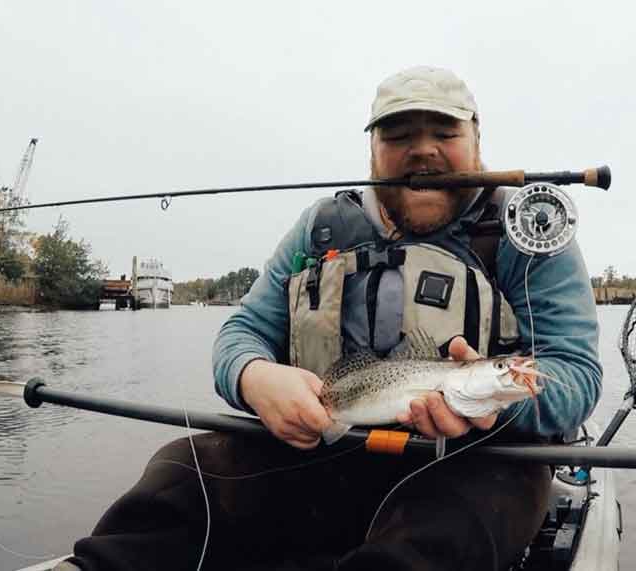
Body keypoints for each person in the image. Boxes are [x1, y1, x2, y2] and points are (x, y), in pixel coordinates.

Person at [58, 66, 601, 571]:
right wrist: (254, 377)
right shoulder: (321, 229)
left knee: (437, 537)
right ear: (371, 150)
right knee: (181, 472)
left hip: (472, 465)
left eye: (444, 132)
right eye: (398, 136)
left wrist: (493, 410)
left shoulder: (525, 230)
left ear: (477, 140)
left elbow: (576, 376)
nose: (423, 152)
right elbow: (241, 334)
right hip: (327, 445)